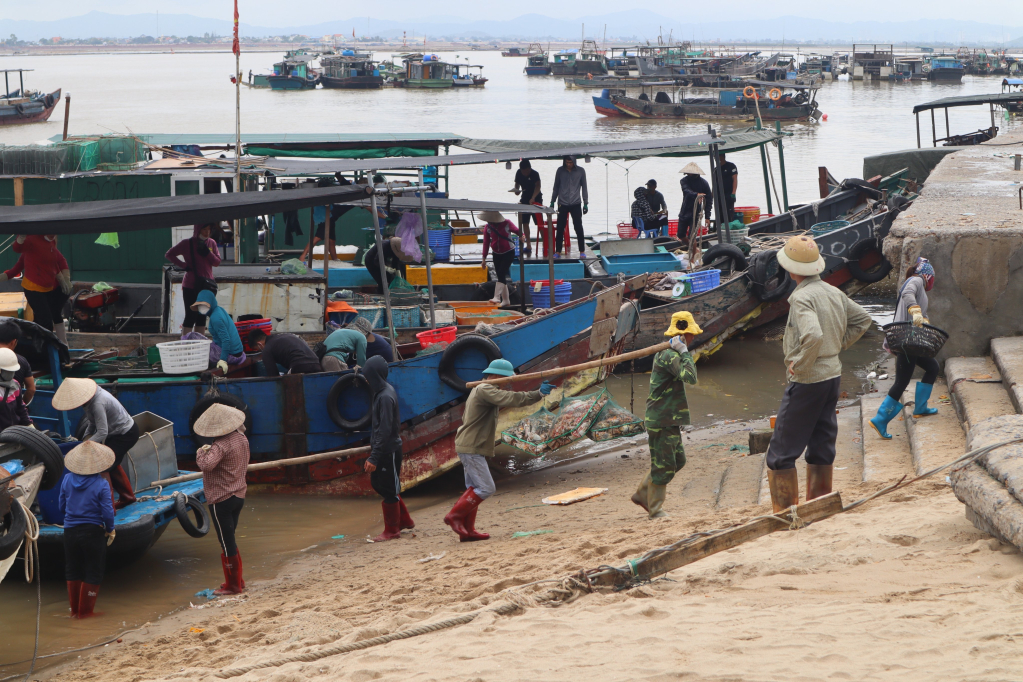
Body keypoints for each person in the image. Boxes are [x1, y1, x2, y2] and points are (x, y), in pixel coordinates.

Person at [764, 236, 872, 511]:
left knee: (780, 451)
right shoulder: (832, 291)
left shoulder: (801, 297)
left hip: (809, 378)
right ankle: (820, 502)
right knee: (822, 439)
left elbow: (812, 335)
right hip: (832, 374)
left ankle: (785, 512)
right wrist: (838, 346)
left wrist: (799, 364)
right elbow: (863, 319)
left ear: (791, 270)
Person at [443, 359, 554, 541]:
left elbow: (507, 395)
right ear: (497, 376)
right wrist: (538, 394)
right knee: (486, 488)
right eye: (506, 379)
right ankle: (454, 516)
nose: (508, 383)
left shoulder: (485, 389)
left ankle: (468, 531)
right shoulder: (485, 389)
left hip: (471, 445)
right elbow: (512, 399)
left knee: (474, 487)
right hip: (471, 446)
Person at [632, 312, 700, 519]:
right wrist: (685, 352)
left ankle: (643, 492)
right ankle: (655, 509)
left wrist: (682, 351)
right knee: (663, 465)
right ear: (684, 335)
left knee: (678, 461)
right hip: (661, 419)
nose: (693, 337)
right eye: (691, 334)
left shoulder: (673, 354)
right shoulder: (669, 355)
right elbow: (691, 377)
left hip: (669, 418)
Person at [870, 257, 940, 438]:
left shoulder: (920, 287)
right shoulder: (916, 280)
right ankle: (880, 419)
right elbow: (908, 294)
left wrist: (923, 318)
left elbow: (916, 311)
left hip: (913, 341)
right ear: (928, 275)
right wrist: (915, 310)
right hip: (906, 342)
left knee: (932, 367)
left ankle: (921, 407)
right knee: (901, 382)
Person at [53, 378, 140, 509]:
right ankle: (128, 497)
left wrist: (86, 445)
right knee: (113, 463)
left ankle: (108, 507)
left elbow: (102, 432)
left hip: (125, 434)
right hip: (114, 433)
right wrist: (84, 440)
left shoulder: (98, 403)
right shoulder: (89, 402)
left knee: (103, 465)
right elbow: (92, 423)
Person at [194, 403, 250, 595]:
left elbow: (206, 465)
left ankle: (233, 586)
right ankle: (237, 580)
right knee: (230, 539)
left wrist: (200, 452)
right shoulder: (242, 438)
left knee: (226, 541)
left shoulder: (221, 444)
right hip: (239, 493)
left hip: (221, 497)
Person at [59, 440, 116, 618]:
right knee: (94, 570)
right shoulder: (101, 484)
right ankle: (86, 614)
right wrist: (110, 529)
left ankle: (75, 612)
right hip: (93, 531)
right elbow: (107, 512)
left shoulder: (67, 479)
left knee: (72, 569)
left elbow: (61, 506)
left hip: (70, 531)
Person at [362, 356, 415, 542]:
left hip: (388, 450)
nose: (366, 379)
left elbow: (385, 429)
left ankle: (392, 530)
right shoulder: (380, 392)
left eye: (368, 375)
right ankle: (405, 519)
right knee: (379, 484)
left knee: (390, 489)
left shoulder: (385, 396)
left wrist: (374, 457)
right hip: (382, 447)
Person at [2, 235, 72, 340]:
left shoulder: (50, 244)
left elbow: (58, 263)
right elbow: (16, 255)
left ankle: (57, 345)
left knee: (48, 317)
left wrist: (64, 279)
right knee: (46, 319)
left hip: (51, 288)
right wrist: (19, 241)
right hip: (33, 289)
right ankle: (48, 348)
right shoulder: (31, 244)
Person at [165, 224, 222, 334]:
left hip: (207, 284)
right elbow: (169, 254)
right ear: (197, 230)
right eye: (204, 230)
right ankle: (185, 343)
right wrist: (184, 265)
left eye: (209, 230)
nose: (207, 233)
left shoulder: (211, 243)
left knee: (202, 315)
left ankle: (199, 342)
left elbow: (217, 262)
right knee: (191, 315)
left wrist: (208, 253)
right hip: (191, 284)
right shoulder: (187, 243)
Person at [190, 290, 245, 372]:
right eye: (200, 305)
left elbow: (226, 340)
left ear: (211, 303)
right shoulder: (219, 310)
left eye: (204, 305)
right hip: (237, 353)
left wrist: (223, 360)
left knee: (191, 337)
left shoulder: (215, 318)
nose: (201, 307)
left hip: (232, 355)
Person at [479, 210, 522, 308]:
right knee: (500, 276)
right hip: (496, 253)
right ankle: (506, 300)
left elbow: (518, 231)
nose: (489, 222)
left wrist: (522, 236)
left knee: (502, 273)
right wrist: (484, 258)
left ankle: (497, 297)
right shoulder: (488, 227)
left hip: (508, 252)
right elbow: (486, 243)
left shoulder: (507, 223)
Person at [549, 155, 589, 259]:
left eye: (570, 162)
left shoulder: (581, 171)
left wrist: (585, 203)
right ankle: (558, 251)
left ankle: (582, 251)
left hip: (576, 202)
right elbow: (556, 187)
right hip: (562, 202)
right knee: (560, 227)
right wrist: (552, 201)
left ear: (574, 162)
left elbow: (584, 187)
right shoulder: (560, 171)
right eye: (567, 162)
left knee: (578, 227)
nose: (569, 164)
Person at [247, 329, 322, 376]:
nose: (260, 351)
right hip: (316, 363)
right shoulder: (286, 336)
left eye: (258, 349)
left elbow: (273, 376)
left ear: (259, 344)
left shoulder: (267, 349)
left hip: (299, 366)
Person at [0, 322, 35, 406]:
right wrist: (20, 405)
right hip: (11, 411)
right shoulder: (22, 361)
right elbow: (31, 389)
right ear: (13, 342)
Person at [512, 160, 541, 256]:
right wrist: (516, 190)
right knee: (525, 222)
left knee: (539, 222)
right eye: (522, 171)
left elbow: (538, 187)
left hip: (536, 198)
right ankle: (528, 245)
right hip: (524, 197)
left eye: (525, 171)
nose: (524, 173)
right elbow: (517, 184)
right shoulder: (518, 173)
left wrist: (533, 198)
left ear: (529, 169)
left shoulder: (535, 174)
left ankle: (546, 244)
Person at [678, 163, 712, 245]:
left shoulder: (704, 183)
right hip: (685, 211)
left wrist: (707, 216)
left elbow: (709, 200)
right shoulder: (684, 181)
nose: (689, 174)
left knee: (692, 236)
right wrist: (696, 195)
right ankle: (693, 248)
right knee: (680, 235)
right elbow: (686, 191)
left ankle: (693, 252)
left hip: (696, 212)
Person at [0, 348, 31, 430]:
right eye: (8, 371)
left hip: (14, 432)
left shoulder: (15, 385)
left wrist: (29, 425)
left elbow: (21, 409)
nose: (11, 374)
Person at [718, 153, 739, 223]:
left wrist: (733, 193)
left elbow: (735, 179)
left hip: (729, 195)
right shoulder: (716, 169)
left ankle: (730, 229)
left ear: (722, 157)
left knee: (729, 214)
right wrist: (711, 196)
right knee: (720, 215)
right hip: (719, 196)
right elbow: (714, 184)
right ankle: (721, 229)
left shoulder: (731, 166)